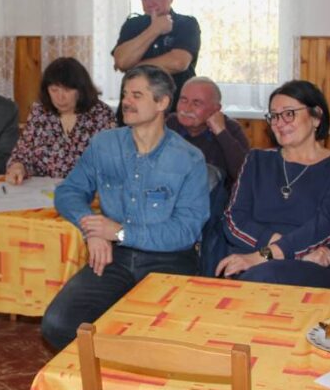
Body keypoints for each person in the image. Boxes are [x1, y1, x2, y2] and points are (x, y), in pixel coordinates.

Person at [41, 65, 209, 350]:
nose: (126, 102)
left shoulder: (189, 159)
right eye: (124, 94)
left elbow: (185, 230)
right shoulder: (104, 144)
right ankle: (102, 377)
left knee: (162, 340)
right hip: (113, 259)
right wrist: (92, 228)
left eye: (137, 95)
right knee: (57, 323)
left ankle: (129, 377)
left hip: (169, 261)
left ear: (162, 103)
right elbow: (69, 191)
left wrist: (120, 232)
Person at [213, 80, 330, 289]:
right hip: (269, 258)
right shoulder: (256, 160)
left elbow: (327, 226)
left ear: (316, 117)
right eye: (274, 115)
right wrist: (294, 253)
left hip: (321, 267)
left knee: (265, 275)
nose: (279, 123)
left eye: (289, 113)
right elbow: (233, 221)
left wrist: (263, 256)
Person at [4, 57, 114, 184]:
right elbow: (22, 153)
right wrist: (18, 166)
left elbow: (111, 163)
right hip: (42, 191)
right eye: (54, 90)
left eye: (67, 90)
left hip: (87, 191)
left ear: (81, 90)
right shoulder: (40, 112)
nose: (60, 97)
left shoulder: (101, 114)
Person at [112, 0, 201, 112]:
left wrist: (136, 67)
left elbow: (178, 62)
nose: (150, 2)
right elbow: (122, 62)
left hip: (175, 111)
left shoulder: (186, 24)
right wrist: (154, 30)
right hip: (134, 110)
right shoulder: (132, 25)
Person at [165, 76, 248, 190]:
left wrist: (221, 133)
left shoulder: (230, 129)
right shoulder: (167, 124)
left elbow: (245, 176)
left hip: (215, 203)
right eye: (183, 100)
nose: (187, 109)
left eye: (196, 103)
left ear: (216, 109)